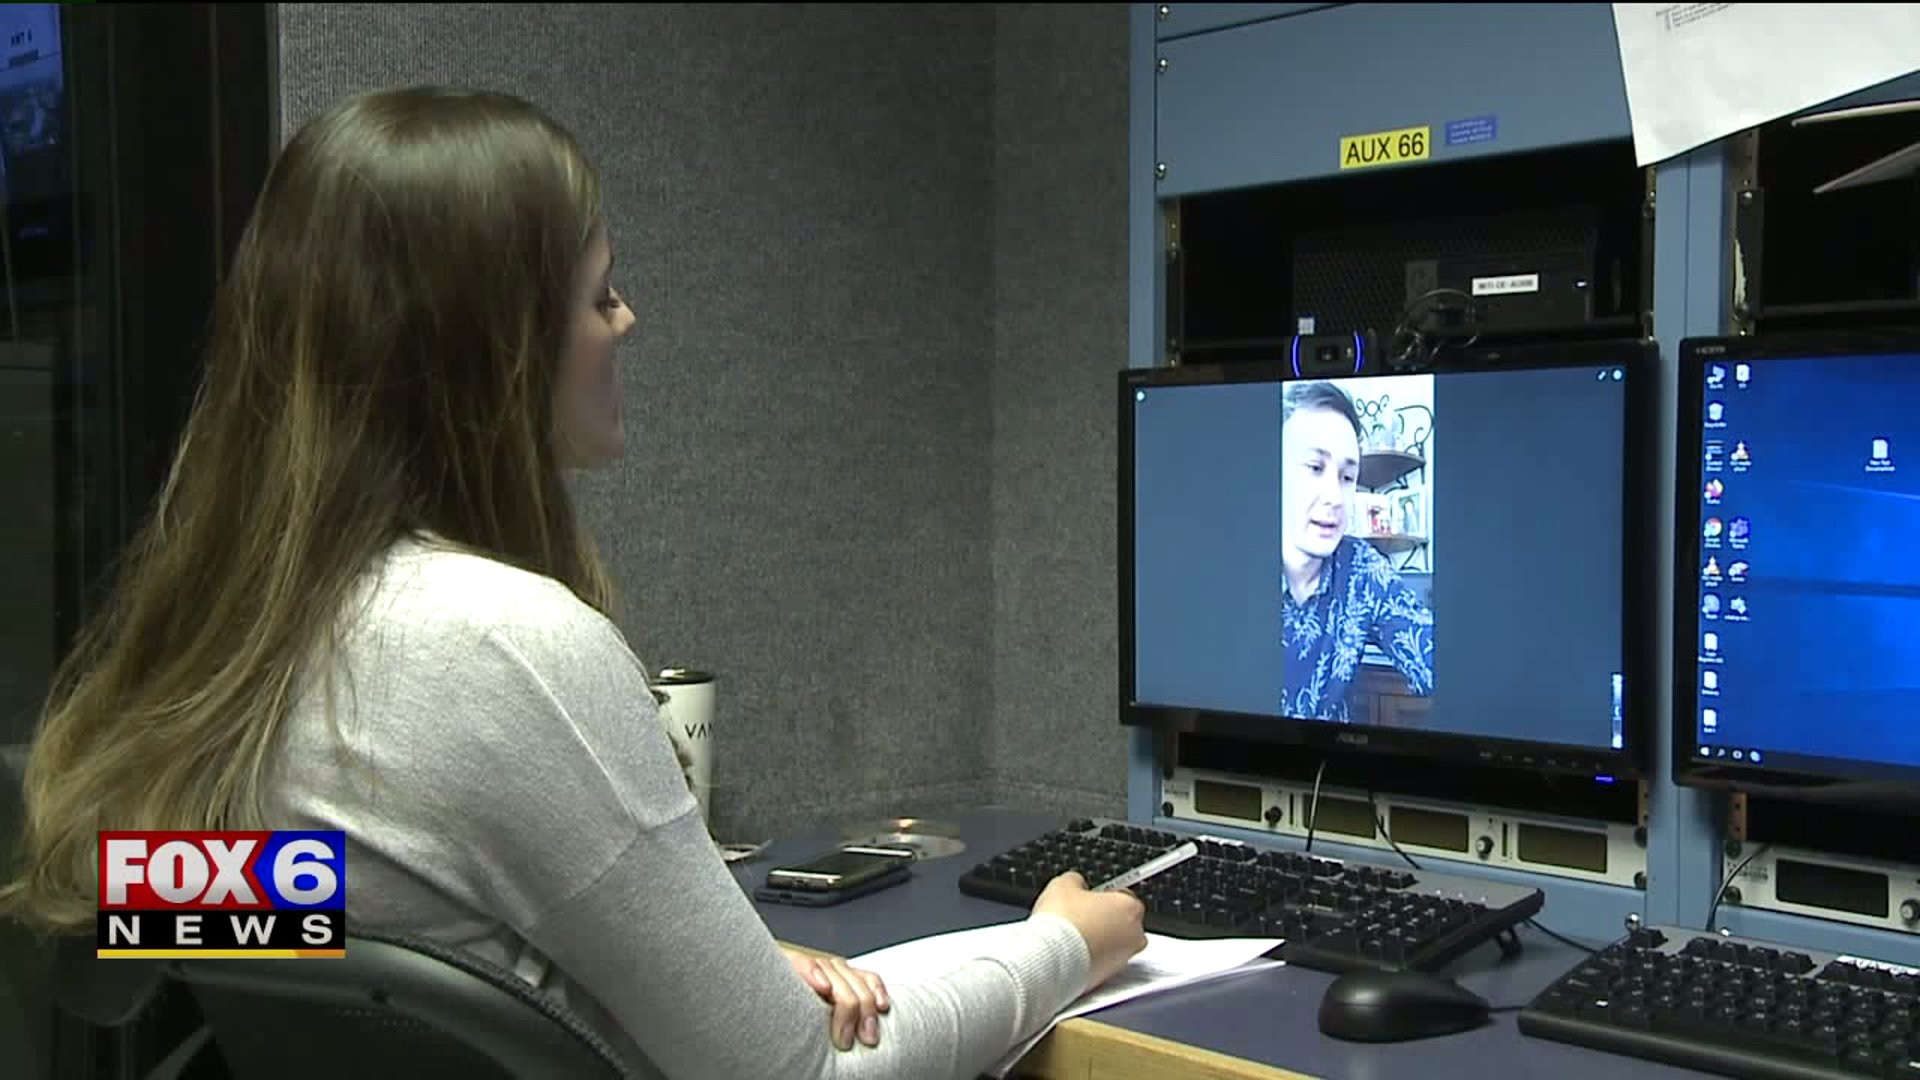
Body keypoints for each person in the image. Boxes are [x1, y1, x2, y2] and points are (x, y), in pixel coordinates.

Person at [0, 86, 1146, 1078]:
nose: (626, 320)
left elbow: (209, 916)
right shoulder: (497, 645)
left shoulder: (255, 634)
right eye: (600, 295)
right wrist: (1062, 943)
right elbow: (799, 1074)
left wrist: (692, 969)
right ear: (486, 343)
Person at [1279, 380, 1435, 722]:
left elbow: (1437, 656)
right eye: (1315, 468)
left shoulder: (1362, 569)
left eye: (1347, 477)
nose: (1335, 497)